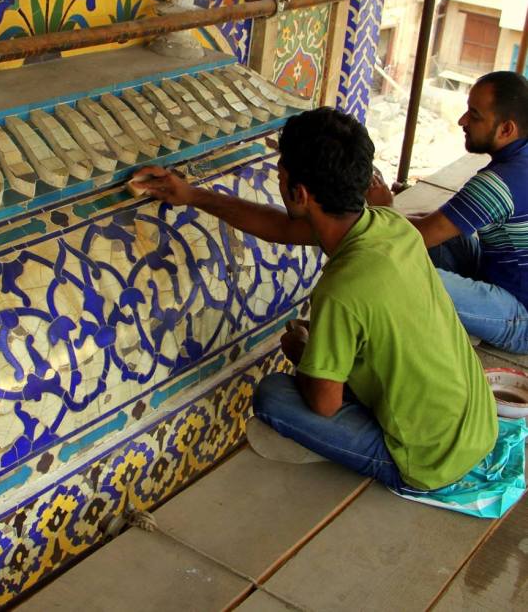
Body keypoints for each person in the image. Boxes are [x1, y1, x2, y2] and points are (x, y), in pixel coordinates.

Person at [136, 108, 497, 493]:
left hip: (431, 462)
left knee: (274, 396)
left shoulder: (341, 288)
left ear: (300, 193)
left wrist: (306, 355)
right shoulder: (390, 225)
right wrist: (191, 195)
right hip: (479, 425)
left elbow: (324, 405)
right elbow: (281, 227)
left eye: (281, 173)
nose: (278, 179)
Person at [370, 71, 528, 355]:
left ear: (506, 129)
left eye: (475, 115)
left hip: (520, 317)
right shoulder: (520, 160)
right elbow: (432, 226)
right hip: (501, 274)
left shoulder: (500, 183)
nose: (462, 121)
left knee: (405, 272)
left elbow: (417, 237)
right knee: (436, 227)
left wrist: (385, 208)